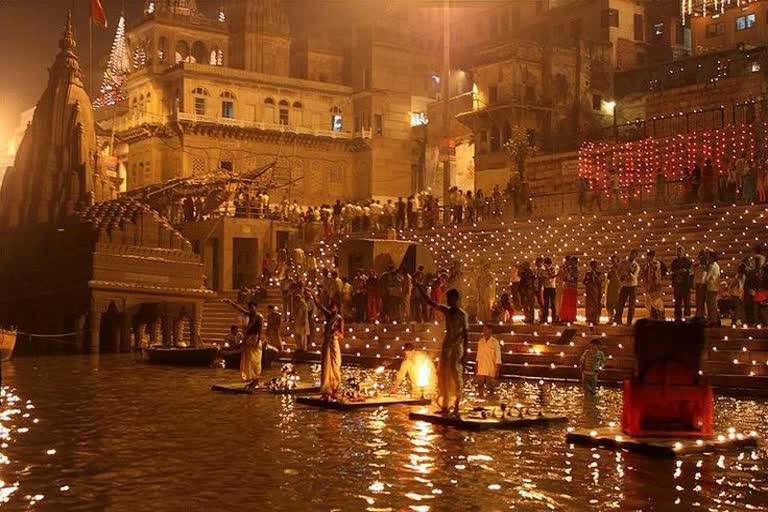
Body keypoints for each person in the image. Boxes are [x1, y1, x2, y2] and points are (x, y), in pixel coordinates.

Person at [417, 286, 468, 416]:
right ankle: (445, 405)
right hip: (447, 347)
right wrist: (419, 287)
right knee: (443, 375)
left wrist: (465, 355)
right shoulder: (447, 311)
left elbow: (466, 334)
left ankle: (456, 406)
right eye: (447, 299)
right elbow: (430, 302)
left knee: (455, 375)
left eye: (449, 299)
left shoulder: (462, 315)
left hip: (456, 348)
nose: (448, 301)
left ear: (455, 299)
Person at [312, 293, 344, 400]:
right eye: (331, 307)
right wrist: (313, 295)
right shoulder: (329, 315)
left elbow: (342, 335)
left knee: (335, 364)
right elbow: (320, 306)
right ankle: (327, 387)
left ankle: (336, 386)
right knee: (325, 363)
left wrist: (335, 332)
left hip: (333, 342)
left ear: (337, 308)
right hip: (326, 342)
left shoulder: (339, 318)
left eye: (334, 307)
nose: (332, 308)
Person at [240, 301, 264, 388]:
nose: (251, 309)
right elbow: (241, 310)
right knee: (248, 360)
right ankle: (252, 379)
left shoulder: (259, 316)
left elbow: (260, 330)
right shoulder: (250, 315)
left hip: (255, 338)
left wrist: (258, 341)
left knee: (255, 360)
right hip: (249, 339)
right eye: (249, 308)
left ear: (256, 307)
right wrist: (231, 303)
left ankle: (256, 379)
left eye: (252, 307)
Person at [474, 324, 502, 397]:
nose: (484, 332)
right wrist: (476, 366)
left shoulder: (495, 342)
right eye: (483, 330)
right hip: (481, 367)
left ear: (490, 330)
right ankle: (481, 398)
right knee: (480, 386)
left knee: (491, 388)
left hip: (491, 368)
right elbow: (478, 355)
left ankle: (491, 400)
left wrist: (497, 370)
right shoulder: (481, 341)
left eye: (486, 330)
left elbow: (498, 357)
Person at [613, 250, 640, 325]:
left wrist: (629, 274)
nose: (632, 256)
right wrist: (621, 278)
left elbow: (635, 276)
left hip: (632, 286)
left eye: (634, 255)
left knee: (631, 305)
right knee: (620, 303)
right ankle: (618, 319)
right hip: (624, 285)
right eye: (632, 254)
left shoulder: (636, 265)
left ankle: (629, 321)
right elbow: (618, 271)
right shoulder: (623, 263)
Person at [671, 246, 693, 321]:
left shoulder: (688, 261)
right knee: (677, 303)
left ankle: (687, 317)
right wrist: (678, 272)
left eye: (680, 251)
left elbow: (690, 271)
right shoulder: (674, 262)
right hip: (677, 285)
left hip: (685, 285)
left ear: (684, 252)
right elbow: (672, 271)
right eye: (678, 251)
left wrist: (684, 271)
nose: (679, 253)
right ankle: (677, 318)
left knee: (687, 303)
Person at [642, 250, 665, 320]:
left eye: (651, 257)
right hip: (649, 285)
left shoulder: (656, 263)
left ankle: (660, 315)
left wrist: (650, 262)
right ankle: (653, 315)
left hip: (656, 284)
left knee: (656, 301)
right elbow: (644, 274)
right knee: (648, 301)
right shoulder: (647, 265)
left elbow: (655, 269)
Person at [583, 260, 604, 325]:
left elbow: (600, 281)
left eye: (595, 265)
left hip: (597, 291)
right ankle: (589, 318)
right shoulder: (588, 273)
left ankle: (596, 318)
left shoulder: (599, 273)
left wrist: (595, 276)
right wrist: (587, 282)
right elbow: (584, 281)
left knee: (596, 304)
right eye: (593, 266)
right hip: (590, 291)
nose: (594, 267)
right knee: (589, 305)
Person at [540, 257, 558, 323]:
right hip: (546, 287)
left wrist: (547, 269)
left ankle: (553, 318)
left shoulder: (553, 269)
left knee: (552, 303)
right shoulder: (543, 270)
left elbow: (552, 276)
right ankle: (545, 318)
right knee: (546, 304)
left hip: (552, 287)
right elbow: (542, 276)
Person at [560, 256, 579, 323]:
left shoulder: (575, 269)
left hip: (572, 287)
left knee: (571, 303)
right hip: (567, 287)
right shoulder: (568, 268)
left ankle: (571, 317)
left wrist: (568, 276)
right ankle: (566, 317)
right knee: (566, 303)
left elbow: (574, 278)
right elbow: (564, 277)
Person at [705, 251, 721, 327]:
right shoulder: (717, 266)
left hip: (711, 287)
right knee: (713, 304)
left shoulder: (712, 266)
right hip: (715, 287)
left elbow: (707, 277)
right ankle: (716, 319)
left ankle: (713, 320)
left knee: (711, 305)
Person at [605, 254, 621, 320]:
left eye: (614, 261)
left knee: (617, 302)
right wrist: (608, 271)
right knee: (610, 302)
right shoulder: (611, 268)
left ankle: (617, 318)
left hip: (618, 286)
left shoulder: (620, 268)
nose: (613, 262)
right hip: (611, 286)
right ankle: (611, 317)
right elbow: (609, 278)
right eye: (612, 261)